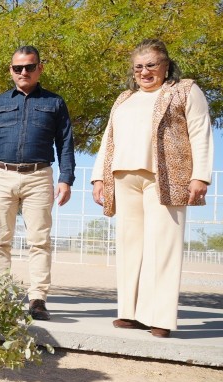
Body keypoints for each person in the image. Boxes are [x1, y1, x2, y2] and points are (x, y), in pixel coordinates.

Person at [91, 39, 213, 338]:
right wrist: (98, 178)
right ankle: (130, 313)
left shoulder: (185, 90)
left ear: (166, 65)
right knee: (130, 247)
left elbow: (200, 131)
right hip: (123, 177)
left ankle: (160, 317)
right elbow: (108, 138)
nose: (145, 72)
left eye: (151, 65)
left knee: (163, 247)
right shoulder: (124, 98)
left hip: (167, 177)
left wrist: (201, 176)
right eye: (139, 67)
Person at [0, 45, 76, 321]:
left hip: (39, 177)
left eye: (29, 67)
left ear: (40, 68)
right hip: (2, 175)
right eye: (18, 68)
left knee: (39, 240)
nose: (24, 72)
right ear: (11, 70)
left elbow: (65, 143)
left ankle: (37, 298)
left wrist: (66, 179)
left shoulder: (55, 103)